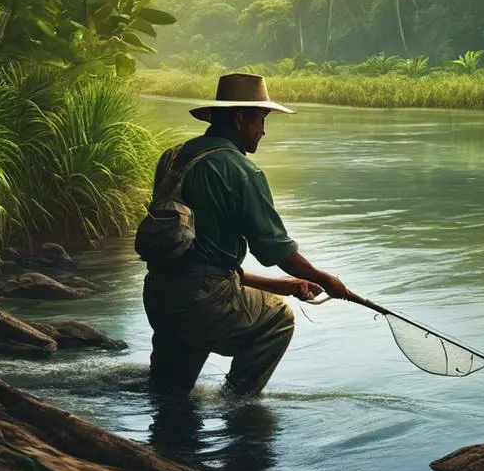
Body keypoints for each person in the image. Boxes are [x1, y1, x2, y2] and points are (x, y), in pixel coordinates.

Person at [142, 73, 352, 395]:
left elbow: (202, 257)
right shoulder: (242, 172)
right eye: (261, 120)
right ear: (240, 119)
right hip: (203, 303)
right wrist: (327, 280)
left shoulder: (172, 158)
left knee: (169, 396)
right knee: (278, 317)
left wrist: (287, 285)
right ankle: (237, 406)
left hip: (160, 295)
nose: (264, 131)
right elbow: (277, 252)